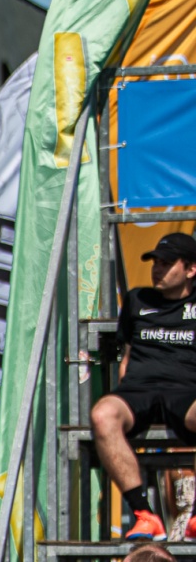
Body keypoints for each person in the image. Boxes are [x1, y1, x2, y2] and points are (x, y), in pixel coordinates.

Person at [91, 231, 196, 539]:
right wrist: (124, 389)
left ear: (191, 269)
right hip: (139, 391)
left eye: (167, 263)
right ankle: (144, 515)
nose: (157, 269)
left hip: (186, 391)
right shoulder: (137, 299)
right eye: (155, 263)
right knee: (102, 414)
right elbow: (126, 356)